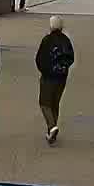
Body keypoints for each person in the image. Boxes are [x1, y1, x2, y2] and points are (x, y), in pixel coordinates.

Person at [35, 16, 75, 146]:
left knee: (44, 103)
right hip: (61, 77)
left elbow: (40, 58)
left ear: (51, 26)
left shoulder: (47, 40)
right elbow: (71, 58)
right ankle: (52, 131)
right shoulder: (66, 40)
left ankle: (52, 126)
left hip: (48, 76)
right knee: (54, 103)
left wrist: (44, 70)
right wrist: (63, 68)